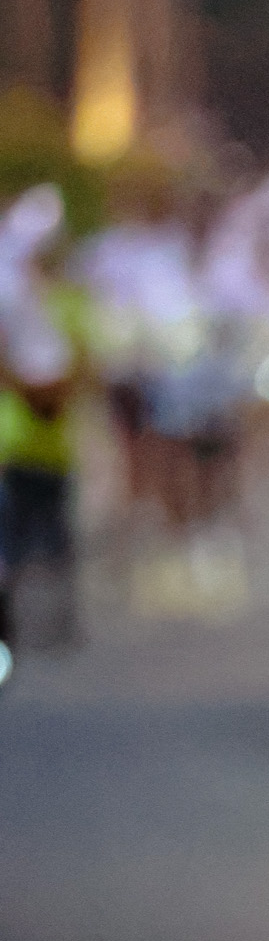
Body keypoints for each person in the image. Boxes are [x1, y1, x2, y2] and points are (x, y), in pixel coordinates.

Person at [0, 185, 90, 653]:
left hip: (50, 448)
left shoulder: (65, 303)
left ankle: (53, 623)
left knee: (50, 540)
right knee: (13, 543)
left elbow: (77, 370)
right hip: (13, 446)